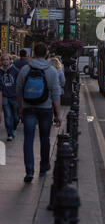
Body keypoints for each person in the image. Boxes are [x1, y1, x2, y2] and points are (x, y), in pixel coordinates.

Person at [16, 42, 62, 183]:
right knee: (44, 138)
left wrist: (20, 108)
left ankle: (29, 171)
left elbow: (18, 90)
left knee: (28, 139)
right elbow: (56, 94)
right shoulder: (52, 71)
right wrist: (58, 114)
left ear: (34, 53)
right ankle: (43, 167)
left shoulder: (25, 69)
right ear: (47, 53)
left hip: (28, 108)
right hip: (45, 109)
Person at [0, 53, 20, 141]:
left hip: (14, 96)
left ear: (10, 60)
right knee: (7, 116)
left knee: (15, 117)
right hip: (4, 96)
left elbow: (19, 84)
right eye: (3, 59)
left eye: (7, 59)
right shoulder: (0, 71)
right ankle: (10, 134)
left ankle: (14, 128)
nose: (5, 61)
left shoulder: (15, 70)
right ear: (1, 61)